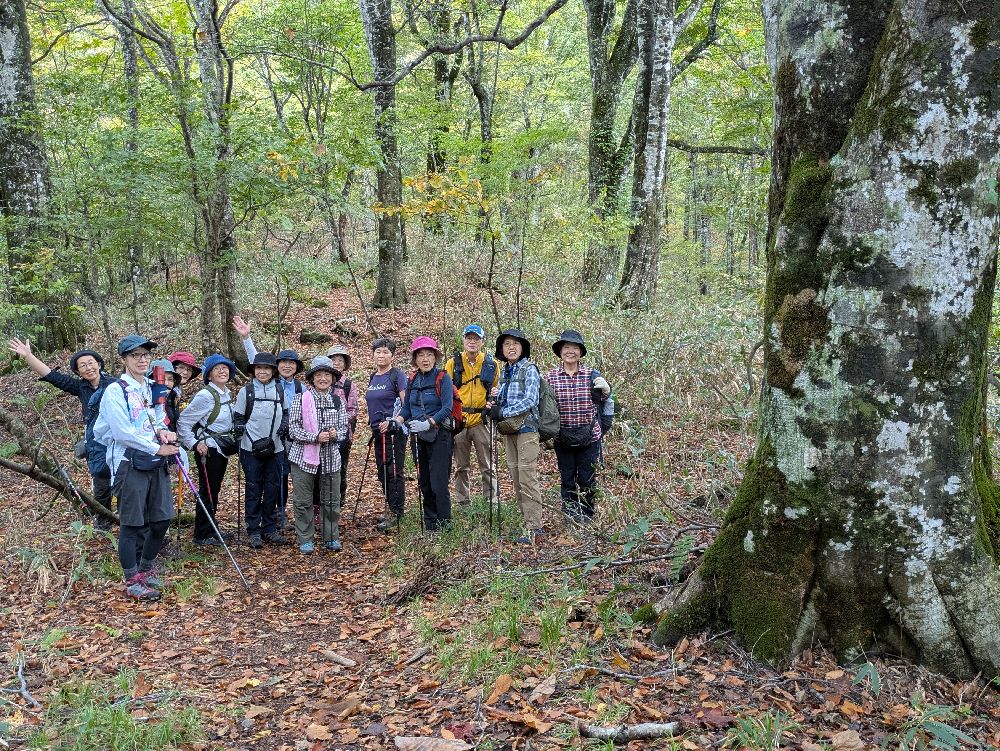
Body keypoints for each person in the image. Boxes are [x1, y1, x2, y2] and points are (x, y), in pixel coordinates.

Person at [92, 335, 179, 601]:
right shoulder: (115, 391)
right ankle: (132, 580)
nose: (142, 360)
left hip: (154, 461)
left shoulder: (152, 387)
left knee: (161, 519)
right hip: (128, 462)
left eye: (145, 355)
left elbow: (157, 419)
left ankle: (146, 570)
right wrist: (156, 448)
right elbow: (122, 432)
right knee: (131, 524)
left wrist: (164, 433)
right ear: (124, 359)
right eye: (135, 355)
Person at [8, 337, 116, 527]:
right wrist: (28, 356)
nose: (88, 367)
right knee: (101, 484)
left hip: (119, 439)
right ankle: (104, 524)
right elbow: (52, 376)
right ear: (78, 372)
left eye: (91, 363)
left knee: (126, 482)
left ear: (99, 364)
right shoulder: (80, 387)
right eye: (83, 365)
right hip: (96, 444)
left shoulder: (116, 384)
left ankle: (130, 523)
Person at [232, 315, 305, 531]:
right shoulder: (254, 389)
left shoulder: (298, 388)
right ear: (277, 367)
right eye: (283, 363)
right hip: (255, 444)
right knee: (256, 486)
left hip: (286, 441)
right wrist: (246, 338)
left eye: (291, 363)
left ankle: (274, 522)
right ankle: (256, 527)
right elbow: (257, 361)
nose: (287, 366)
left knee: (277, 483)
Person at [545, 330, 611, 522]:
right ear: (560, 352)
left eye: (574, 348)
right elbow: (542, 402)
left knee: (586, 477)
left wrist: (607, 389)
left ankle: (588, 514)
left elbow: (604, 399)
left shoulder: (592, 375)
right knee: (567, 477)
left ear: (580, 352)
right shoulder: (549, 377)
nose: (570, 351)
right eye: (566, 347)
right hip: (562, 436)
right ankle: (570, 513)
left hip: (589, 436)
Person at [288, 356, 349, 554]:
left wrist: (335, 434)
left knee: (331, 499)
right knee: (303, 500)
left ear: (333, 378)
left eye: (327, 375)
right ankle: (305, 539)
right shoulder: (301, 399)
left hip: (331, 457)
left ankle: (330, 537)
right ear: (312, 378)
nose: (323, 378)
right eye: (319, 375)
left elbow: (344, 428)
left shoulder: (337, 400)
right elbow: (293, 429)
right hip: (303, 457)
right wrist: (314, 437)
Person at [489, 329, 544, 543]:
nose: (511, 347)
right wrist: (493, 406)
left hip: (527, 430)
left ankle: (534, 527)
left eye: (515, 344)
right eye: (507, 344)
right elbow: (502, 400)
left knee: (527, 477)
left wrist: (503, 412)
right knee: (516, 477)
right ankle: (526, 523)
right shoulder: (506, 372)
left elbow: (530, 400)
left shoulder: (529, 369)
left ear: (522, 348)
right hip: (509, 430)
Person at [395, 337, 454, 533]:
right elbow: (406, 408)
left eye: (429, 354)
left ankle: (445, 525)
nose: (425, 359)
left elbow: (447, 407)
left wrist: (428, 423)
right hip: (418, 437)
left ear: (435, 357)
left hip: (440, 436)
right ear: (415, 359)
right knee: (425, 482)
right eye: (421, 355)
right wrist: (397, 421)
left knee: (438, 483)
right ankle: (430, 524)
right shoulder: (412, 379)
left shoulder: (443, 378)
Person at [177, 353, 238, 546]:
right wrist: (194, 444)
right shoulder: (205, 395)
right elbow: (183, 422)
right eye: (216, 369)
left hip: (220, 448)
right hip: (208, 449)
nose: (222, 371)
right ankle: (201, 534)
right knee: (208, 490)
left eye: (225, 368)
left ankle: (211, 529)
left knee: (214, 489)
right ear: (209, 375)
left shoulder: (226, 393)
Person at [234, 352, 288, 548]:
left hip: (276, 448)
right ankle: (253, 530)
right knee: (253, 489)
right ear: (254, 370)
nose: (262, 371)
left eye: (266, 368)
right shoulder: (246, 391)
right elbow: (238, 417)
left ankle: (269, 528)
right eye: (259, 368)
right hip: (250, 449)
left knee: (272, 488)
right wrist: (240, 431)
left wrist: (284, 426)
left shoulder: (279, 390)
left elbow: (286, 413)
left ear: (273, 371)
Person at [444, 324, 499, 506]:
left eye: (476, 339)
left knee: (487, 464)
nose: (472, 342)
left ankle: (491, 501)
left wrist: (493, 402)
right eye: (469, 338)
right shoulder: (453, 363)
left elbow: (497, 390)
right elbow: (446, 390)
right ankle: (463, 502)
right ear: (463, 340)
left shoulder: (491, 364)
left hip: (482, 420)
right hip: (459, 420)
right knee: (461, 466)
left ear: (482, 342)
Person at [364, 338, 408, 533]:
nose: (381, 355)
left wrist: (394, 421)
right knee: (382, 472)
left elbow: (406, 405)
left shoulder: (397, 375)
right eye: (378, 352)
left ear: (392, 355)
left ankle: (397, 512)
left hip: (393, 432)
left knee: (393, 471)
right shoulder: (373, 376)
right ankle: (391, 507)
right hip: (377, 431)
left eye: (385, 352)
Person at [326, 345, 358, 504]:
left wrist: (337, 423)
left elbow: (353, 410)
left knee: (340, 468)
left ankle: (339, 499)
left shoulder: (348, 385)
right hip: (321, 435)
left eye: (340, 360)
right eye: (333, 360)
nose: (337, 363)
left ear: (345, 364)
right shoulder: (320, 381)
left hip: (343, 435)